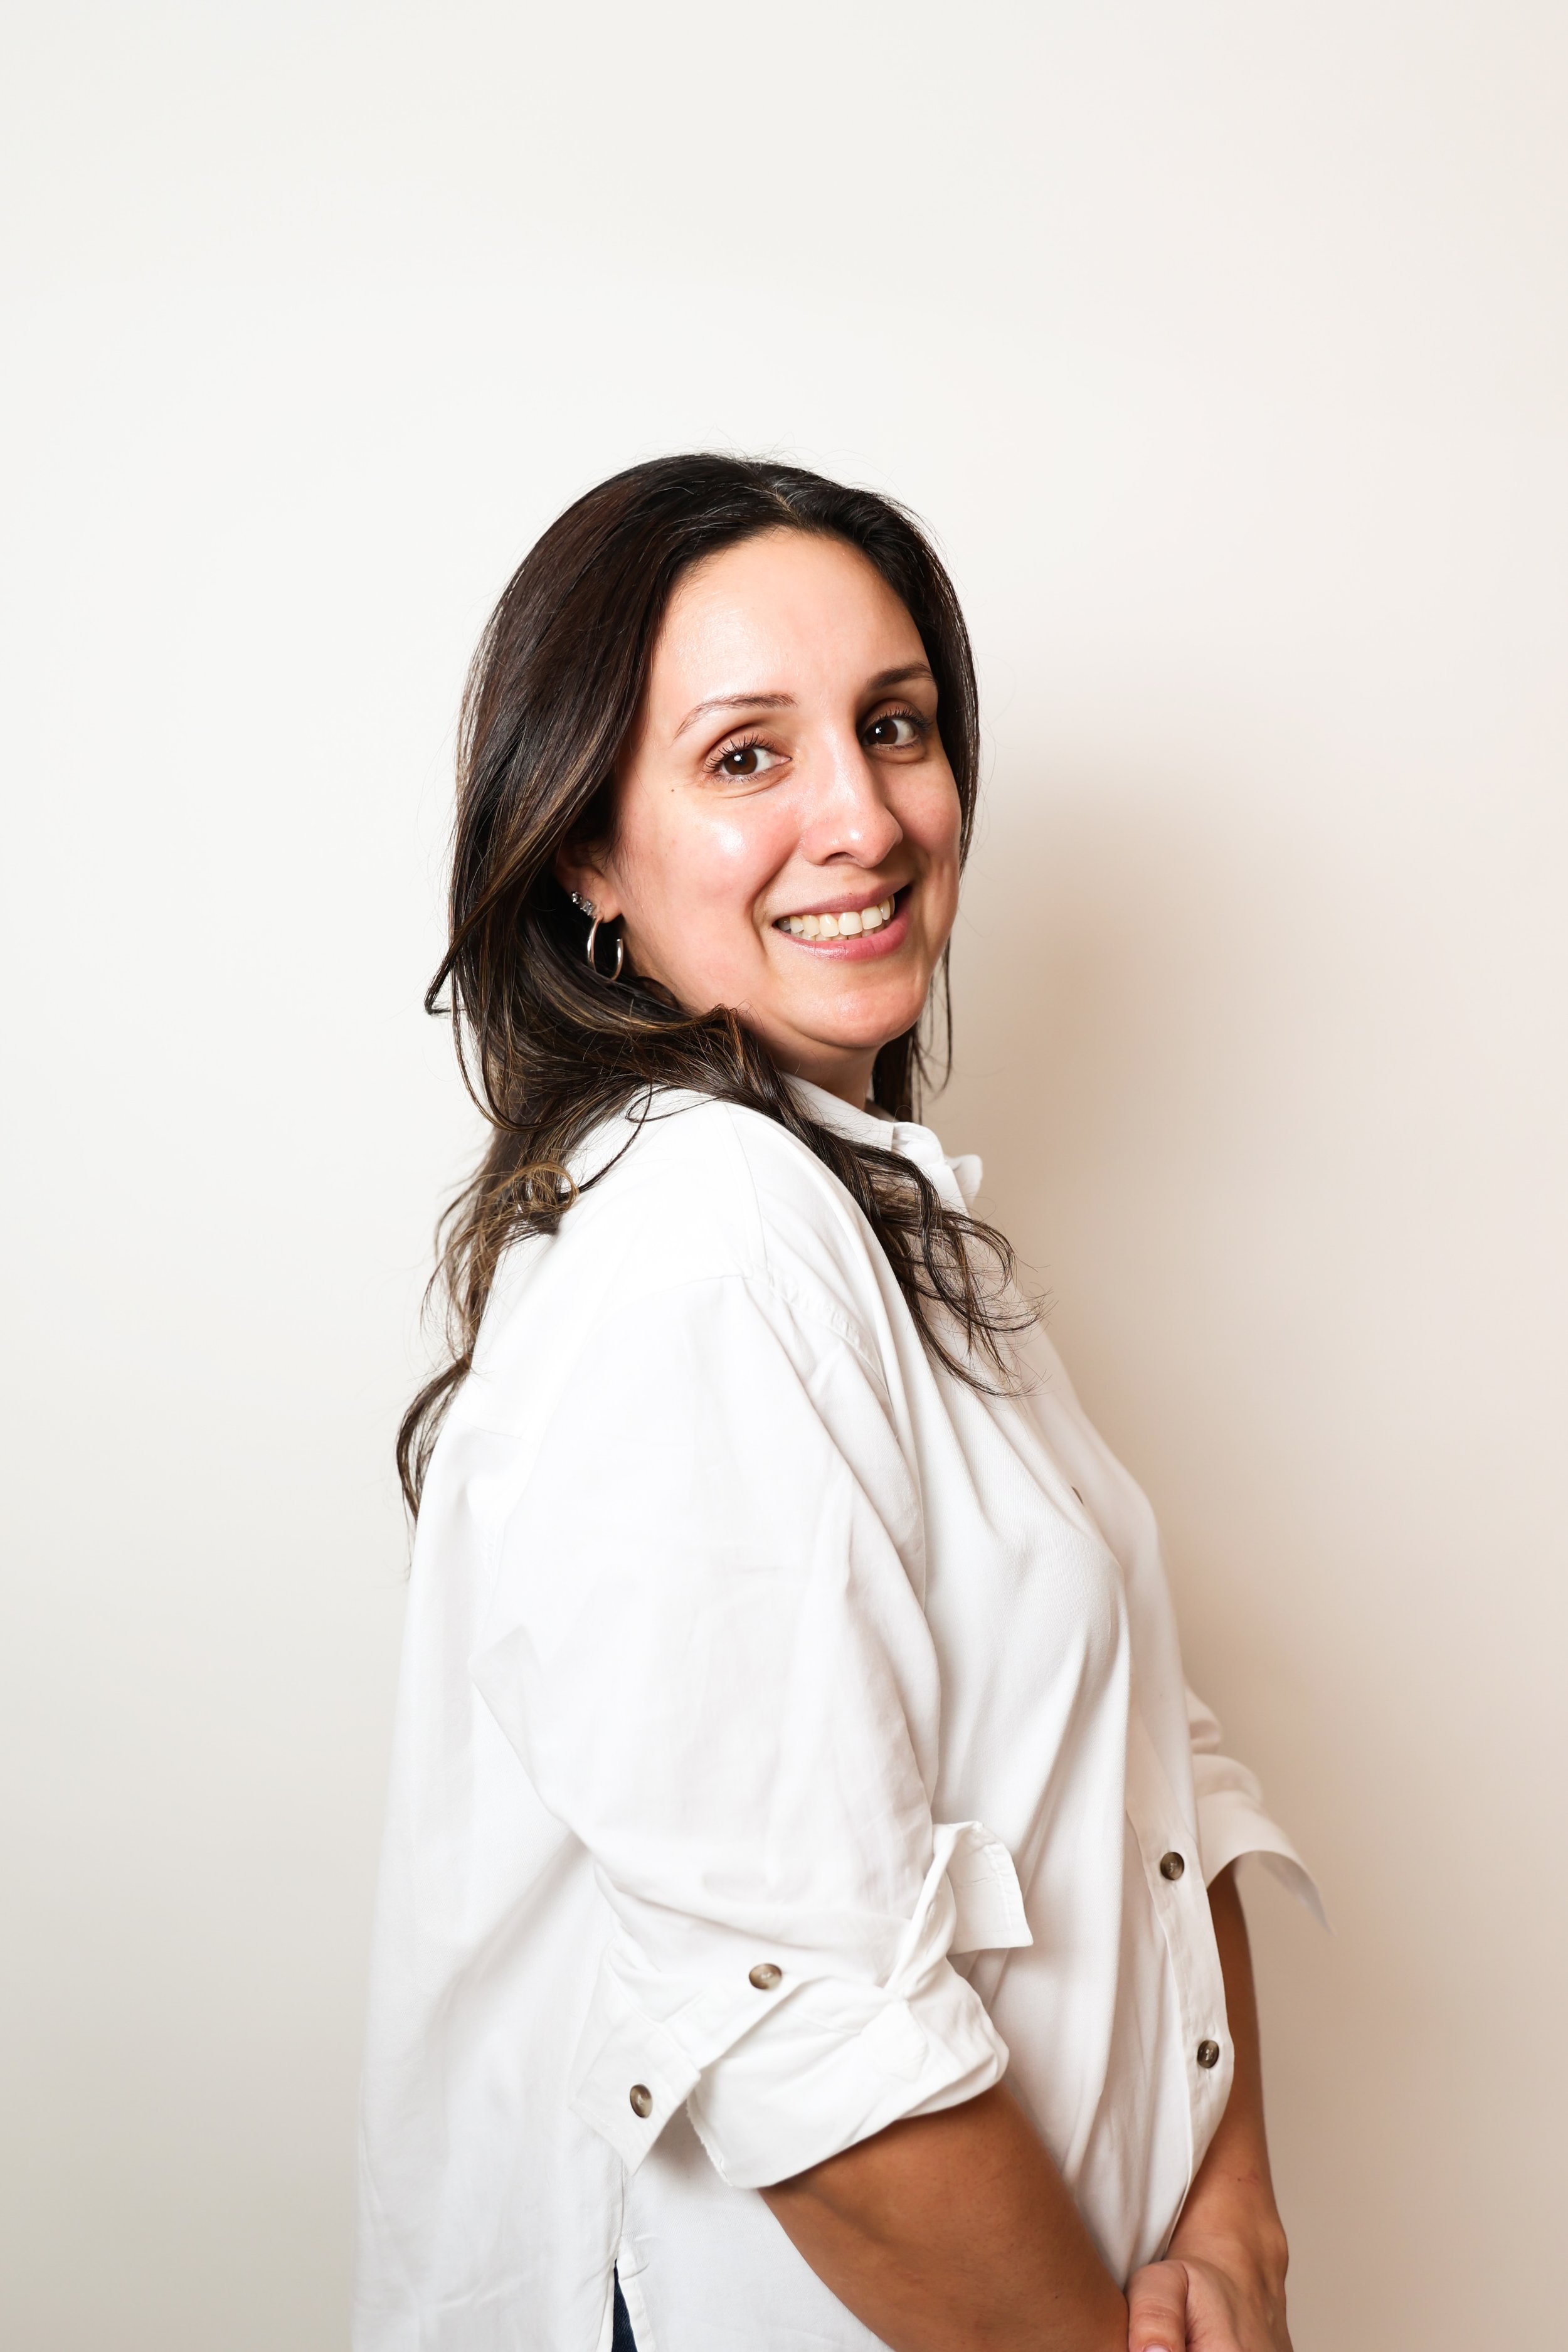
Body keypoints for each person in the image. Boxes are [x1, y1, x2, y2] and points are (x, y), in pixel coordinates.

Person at [353, 454, 1318, 2352]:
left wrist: (1229, 2216)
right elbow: (800, 2021)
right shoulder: (705, 1243)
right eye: (743, 758)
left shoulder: (884, 1224)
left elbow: (1152, 1763)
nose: (862, 819)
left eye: (894, 726)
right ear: (582, 849)